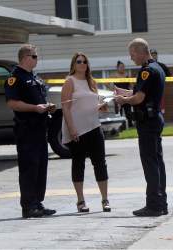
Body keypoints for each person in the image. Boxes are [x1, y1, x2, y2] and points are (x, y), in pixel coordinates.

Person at [115, 38, 168, 217]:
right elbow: (140, 93)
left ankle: (154, 205)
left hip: (148, 121)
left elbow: (139, 99)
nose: (131, 58)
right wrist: (123, 93)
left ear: (140, 51)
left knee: (150, 163)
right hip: (154, 119)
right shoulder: (157, 68)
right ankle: (161, 202)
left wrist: (124, 101)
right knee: (157, 162)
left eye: (132, 54)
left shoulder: (146, 71)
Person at [4, 44, 57, 218]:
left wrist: (47, 107)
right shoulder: (15, 77)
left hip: (41, 129)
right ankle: (28, 206)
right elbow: (12, 103)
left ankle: (37, 203)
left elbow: (40, 99)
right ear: (25, 57)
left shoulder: (35, 77)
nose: (36, 59)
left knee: (41, 166)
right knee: (29, 167)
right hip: (26, 130)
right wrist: (35, 108)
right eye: (34, 56)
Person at [61, 52, 111, 213]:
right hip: (78, 130)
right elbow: (66, 108)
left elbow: (92, 106)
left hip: (94, 127)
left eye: (84, 62)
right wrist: (71, 128)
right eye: (79, 61)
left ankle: (105, 199)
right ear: (73, 64)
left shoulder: (92, 82)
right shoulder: (70, 81)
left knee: (100, 163)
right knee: (78, 164)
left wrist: (101, 107)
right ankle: (80, 201)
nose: (82, 64)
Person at [150, 48, 171, 114]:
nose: (153, 56)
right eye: (152, 55)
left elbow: (169, 76)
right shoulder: (146, 67)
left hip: (159, 89)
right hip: (150, 90)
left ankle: (161, 116)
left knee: (160, 106)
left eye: (155, 55)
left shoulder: (162, 66)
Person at [113, 61, 133, 127]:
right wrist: (112, 88)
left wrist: (132, 91)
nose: (122, 68)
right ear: (117, 68)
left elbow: (131, 85)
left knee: (128, 111)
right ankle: (120, 126)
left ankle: (130, 124)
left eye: (123, 67)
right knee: (119, 111)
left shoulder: (127, 75)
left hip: (127, 95)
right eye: (121, 67)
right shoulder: (114, 75)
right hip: (118, 96)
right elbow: (106, 82)